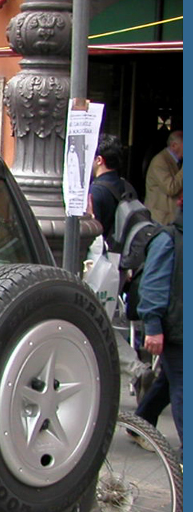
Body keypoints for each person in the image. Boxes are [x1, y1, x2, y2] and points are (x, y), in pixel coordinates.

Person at [133, 204, 182, 448]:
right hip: (177, 330)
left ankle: (140, 422)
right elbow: (153, 284)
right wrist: (152, 326)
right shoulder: (168, 239)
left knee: (170, 381)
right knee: (182, 387)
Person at [89, 133, 133, 250]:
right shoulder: (127, 186)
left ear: (99, 160)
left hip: (102, 256)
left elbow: (92, 234)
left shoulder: (95, 191)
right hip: (122, 254)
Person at [145, 130, 182, 226]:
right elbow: (170, 188)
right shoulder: (160, 161)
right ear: (174, 145)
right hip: (160, 219)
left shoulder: (176, 161)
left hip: (171, 217)